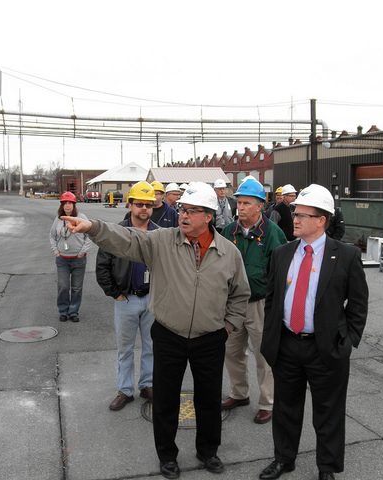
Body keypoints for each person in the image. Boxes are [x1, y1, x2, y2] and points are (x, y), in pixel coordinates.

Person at [61, 182, 250, 479]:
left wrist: (228, 327)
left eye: (192, 211)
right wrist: (92, 227)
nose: (184, 215)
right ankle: (167, 456)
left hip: (211, 338)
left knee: (209, 399)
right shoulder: (161, 241)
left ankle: (208, 451)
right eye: (182, 209)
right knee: (166, 399)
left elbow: (240, 295)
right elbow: (127, 239)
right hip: (169, 335)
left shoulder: (229, 252)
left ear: (209, 216)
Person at [259, 184, 368, 480]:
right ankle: (284, 459)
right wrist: (272, 336)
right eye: (295, 213)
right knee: (285, 409)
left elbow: (358, 304)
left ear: (321, 221)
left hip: (326, 347)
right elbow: (272, 298)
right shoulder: (282, 253)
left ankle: (327, 468)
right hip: (287, 344)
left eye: (303, 215)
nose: (295, 219)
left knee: (329, 412)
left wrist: (347, 341)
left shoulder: (345, 256)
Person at [220, 178, 287, 425]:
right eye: (239, 202)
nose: (241, 207)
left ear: (260, 206)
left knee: (264, 355)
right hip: (232, 306)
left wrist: (276, 307)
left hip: (261, 306)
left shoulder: (273, 234)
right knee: (232, 351)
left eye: (247, 203)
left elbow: (282, 274)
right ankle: (239, 394)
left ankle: (268, 403)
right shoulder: (228, 232)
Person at [96, 182, 157, 411]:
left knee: (151, 346)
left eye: (148, 205)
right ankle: (125, 390)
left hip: (152, 299)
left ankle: (148, 385)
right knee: (125, 348)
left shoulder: (159, 233)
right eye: (139, 204)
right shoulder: (116, 233)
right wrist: (116, 294)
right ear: (130, 205)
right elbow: (102, 267)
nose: (144, 208)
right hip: (126, 299)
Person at [49, 192, 92, 322]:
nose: (67, 206)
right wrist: (56, 251)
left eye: (70, 203)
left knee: (76, 287)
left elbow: (89, 235)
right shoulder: (58, 220)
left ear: (74, 205)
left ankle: (73, 311)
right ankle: (63, 310)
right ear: (62, 205)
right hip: (62, 259)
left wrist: (81, 252)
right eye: (65, 203)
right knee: (63, 286)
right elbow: (52, 236)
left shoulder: (82, 217)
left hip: (78, 259)